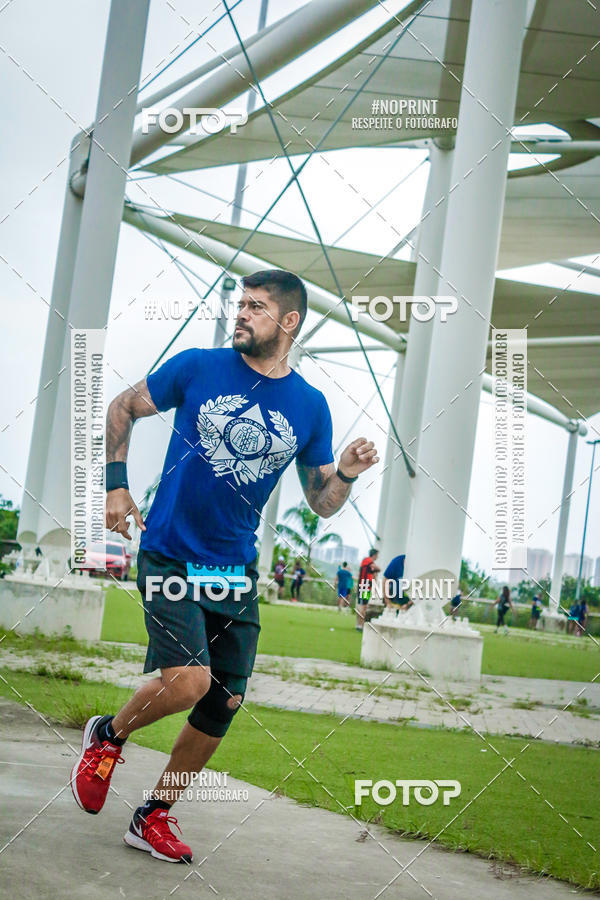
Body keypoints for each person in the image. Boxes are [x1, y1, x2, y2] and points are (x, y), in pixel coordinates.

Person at [70, 269, 379, 863]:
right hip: (169, 551)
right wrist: (115, 487)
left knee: (224, 701)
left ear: (289, 322)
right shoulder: (198, 367)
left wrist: (344, 472)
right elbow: (121, 406)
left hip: (235, 569)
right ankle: (107, 736)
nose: (242, 314)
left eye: (257, 307)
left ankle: (152, 816)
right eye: (240, 304)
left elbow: (320, 502)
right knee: (189, 681)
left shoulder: (310, 407)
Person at [356, 548, 380, 630]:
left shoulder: (368, 563)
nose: (378, 557)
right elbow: (378, 568)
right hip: (365, 586)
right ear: (374, 555)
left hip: (365, 586)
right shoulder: (368, 560)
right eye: (377, 555)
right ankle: (360, 625)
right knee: (363, 606)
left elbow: (375, 573)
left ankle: (359, 624)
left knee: (362, 605)